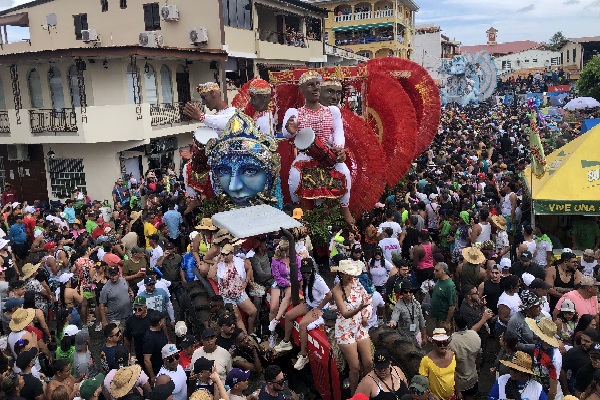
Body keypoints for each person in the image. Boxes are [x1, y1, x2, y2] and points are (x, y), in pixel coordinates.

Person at [282, 70, 354, 225]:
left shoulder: (332, 111)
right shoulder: (295, 112)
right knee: (294, 178)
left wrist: (339, 148)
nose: (315, 88)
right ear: (301, 90)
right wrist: (290, 129)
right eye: (310, 85)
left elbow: (339, 132)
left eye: (317, 84)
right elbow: (285, 132)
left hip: (328, 155)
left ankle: (345, 210)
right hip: (306, 156)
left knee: (345, 173)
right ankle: (298, 211)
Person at [274, 258, 332, 370]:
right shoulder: (305, 279)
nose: (306, 274)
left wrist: (319, 308)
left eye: (308, 272)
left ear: (312, 270)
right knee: (289, 315)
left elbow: (329, 294)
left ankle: (304, 355)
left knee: (302, 325)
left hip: (317, 307)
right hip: (309, 304)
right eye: (304, 272)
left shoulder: (318, 281)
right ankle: (286, 341)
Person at [332, 259, 373, 394]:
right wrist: (359, 309)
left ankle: (366, 390)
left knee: (368, 363)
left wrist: (365, 315)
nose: (350, 277)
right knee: (355, 367)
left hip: (359, 326)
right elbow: (344, 313)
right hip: (345, 329)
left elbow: (368, 299)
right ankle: (354, 394)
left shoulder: (356, 283)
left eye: (352, 274)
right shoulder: (337, 290)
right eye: (347, 274)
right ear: (341, 274)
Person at [209, 244, 257, 334]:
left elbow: (249, 268)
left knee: (253, 311)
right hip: (227, 296)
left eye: (227, 254)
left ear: (232, 254)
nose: (225, 256)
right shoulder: (220, 264)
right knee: (237, 317)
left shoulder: (239, 261)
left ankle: (251, 332)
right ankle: (245, 337)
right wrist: (217, 261)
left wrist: (246, 282)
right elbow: (210, 275)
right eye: (223, 254)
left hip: (239, 292)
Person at [267, 240, 301, 334]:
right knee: (273, 307)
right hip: (280, 282)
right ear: (286, 250)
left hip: (292, 282)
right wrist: (287, 283)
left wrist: (294, 281)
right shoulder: (275, 260)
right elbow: (277, 277)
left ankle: (276, 319)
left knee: (289, 294)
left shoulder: (296, 258)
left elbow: (299, 273)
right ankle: (272, 333)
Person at [526, 317, 562, 400]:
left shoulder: (554, 358)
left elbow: (553, 390)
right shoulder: (538, 345)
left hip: (545, 392)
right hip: (534, 386)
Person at [450, 311, 482, 400]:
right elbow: (479, 357)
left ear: (454, 323)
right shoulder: (475, 335)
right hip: (473, 377)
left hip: (459, 383)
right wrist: (478, 369)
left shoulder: (451, 341)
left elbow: (451, 368)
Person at [418, 328, 457, 400]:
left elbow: (454, 375)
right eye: (439, 343)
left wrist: (458, 392)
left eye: (444, 343)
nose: (442, 345)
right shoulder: (426, 360)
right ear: (434, 343)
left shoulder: (452, 355)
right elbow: (422, 383)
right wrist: (431, 395)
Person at [561, 328, 600, 396]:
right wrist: (566, 391)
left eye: (587, 341)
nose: (582, 342)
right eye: (582, 339)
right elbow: (563, 370)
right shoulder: (573, 353)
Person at [389, 279, 427, 347]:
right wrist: (392, 322)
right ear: (402, 293)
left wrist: (424, 337)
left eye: (410, 292)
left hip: (417, 335)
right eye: (406, 292)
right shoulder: (398, 306)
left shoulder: (417, 304)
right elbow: (395, 316)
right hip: (404, 337)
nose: (408, 294)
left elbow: (421, 321)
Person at [143, 311, 169, 382]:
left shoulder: (161, 329)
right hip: (158, 370)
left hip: (166, 366)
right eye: (163, 320)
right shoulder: (149, 338)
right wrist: (152, 376)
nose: (164, 322)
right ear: (159, 323)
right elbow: (147, 360)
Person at [430, 262, 456, 333]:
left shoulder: (450, 286)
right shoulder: (439, 280)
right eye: (434, 270)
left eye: (437, 270)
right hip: (436, 317)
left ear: (443, 272)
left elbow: (452, 306)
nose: (434, 272)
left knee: (442, 340)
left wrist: (447, 322)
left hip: (443, 319)